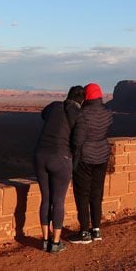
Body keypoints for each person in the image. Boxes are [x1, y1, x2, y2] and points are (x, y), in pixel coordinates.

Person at [33, 85, 85, 254]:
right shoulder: (79, 115)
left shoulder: (54, 106)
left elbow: (43, 115)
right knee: (58, 201)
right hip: (61, 158)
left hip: (40, 156)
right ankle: (55, 243)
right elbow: (77, 143)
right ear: (82, 100)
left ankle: (45, 240)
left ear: (68, 95)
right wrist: (73, 164)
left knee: (45, 199)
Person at [69, 82, 114, 245]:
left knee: (82, 194)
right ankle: (96, 229)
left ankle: (84, 232)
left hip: (85, 157)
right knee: (97, 193)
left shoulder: (81, 113)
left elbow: (76, 137)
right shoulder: (108, 113)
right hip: (102, 156)